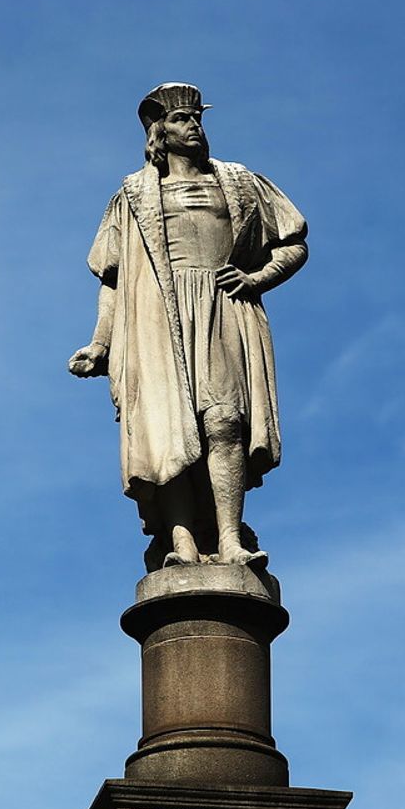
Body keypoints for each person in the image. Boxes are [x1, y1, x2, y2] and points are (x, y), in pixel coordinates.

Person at [69, 82, 308, 572]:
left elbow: (292, 241)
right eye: (182, 119)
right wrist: (100, 343)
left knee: (224, 422)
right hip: (155, 318)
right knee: (166, 429)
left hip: (223, 308)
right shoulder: (132, 196)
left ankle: (229, 537)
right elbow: (113, 278)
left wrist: (257, 277)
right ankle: (181, 542)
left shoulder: (239, 181)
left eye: (198, 118)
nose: (194, 126)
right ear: (160, 131)